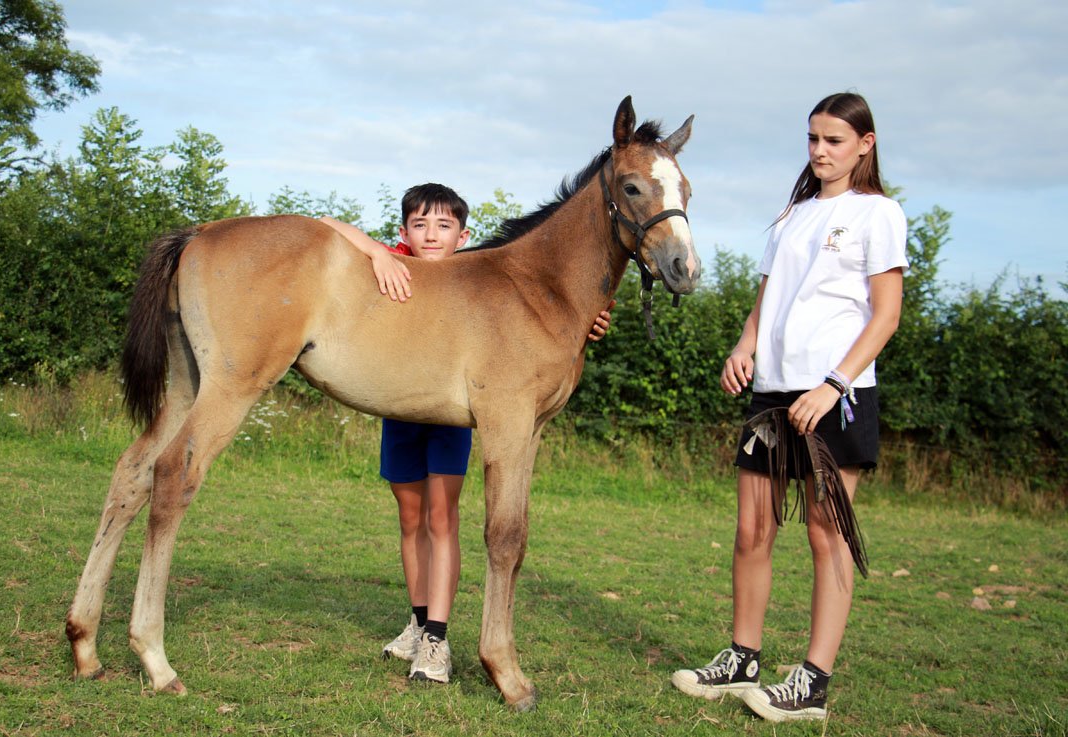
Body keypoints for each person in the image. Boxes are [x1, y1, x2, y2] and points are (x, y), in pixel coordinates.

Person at [669, 92, 907, 722]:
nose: (820, 151)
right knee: (752, 531)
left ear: (865, 144)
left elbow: (886, 316)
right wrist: (744, 346)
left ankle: (813, 683)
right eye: (812, 139)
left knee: (827, 535)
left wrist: (833, 384)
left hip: (836, 394)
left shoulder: (878, 214)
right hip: (771, 393)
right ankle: (741, 659)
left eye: (834, 140)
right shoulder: (792, 215)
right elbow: (767, 299)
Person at [322, 183, 612, 685]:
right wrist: (376, 252)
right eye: (419, 225)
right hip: (401, 406)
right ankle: (418, 623)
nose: (431, 235)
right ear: (403, 232)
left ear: (463, 235)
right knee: (409, 518)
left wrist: (590, 319)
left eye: (444, 226)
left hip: (448, 417)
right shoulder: (391, 263)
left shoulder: (475, 276)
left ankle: (437, 637)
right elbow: (325, 227)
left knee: (441, 518)